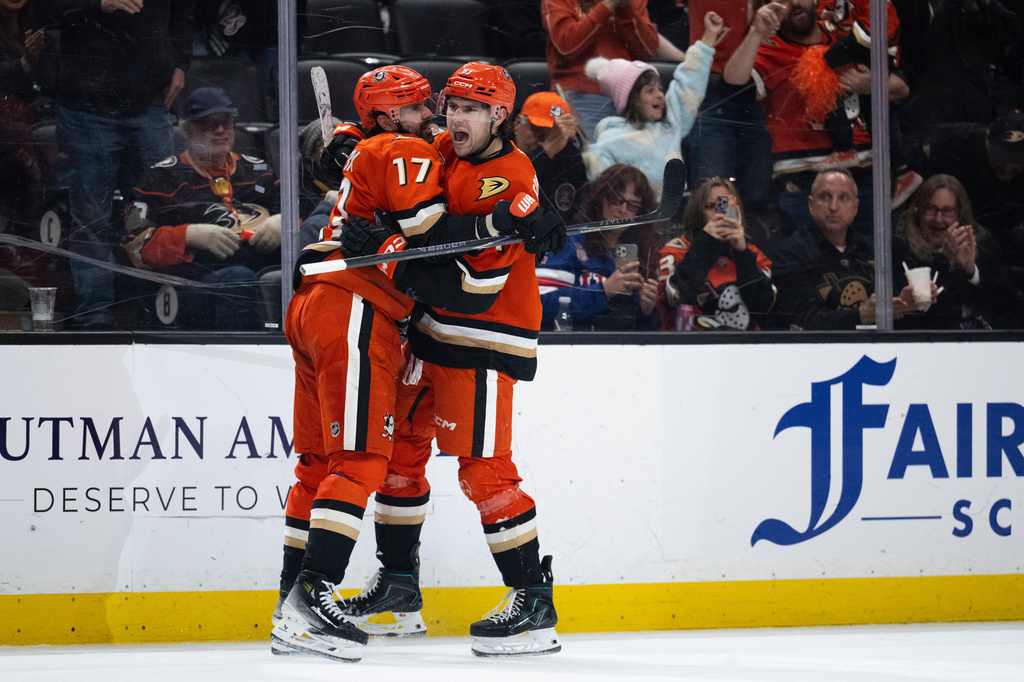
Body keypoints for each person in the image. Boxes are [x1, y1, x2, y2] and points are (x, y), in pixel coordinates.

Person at [270, 64, 563, 663]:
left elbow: (470, 289)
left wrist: (388, 248)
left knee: (484, 471)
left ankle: (532, 601)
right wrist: (353, 147)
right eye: (448, 105)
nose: (450, 118)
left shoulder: (509, 175)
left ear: (499, 116)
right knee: (400, 457)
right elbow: (383, 149)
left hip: (478, 336)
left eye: (468, 109)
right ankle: (398, 591)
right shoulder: (440, 147)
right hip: (422, 332)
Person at [42, 0, 194, 330]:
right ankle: (94, 315)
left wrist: (180, 62)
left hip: (148, 101)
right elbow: (44, 9)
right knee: (90, 216)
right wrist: (98, 4)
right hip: (86, 105)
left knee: (158, 212)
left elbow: (185, 12)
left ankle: (160, 311)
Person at [722, 0, 910, 241]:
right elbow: (733, 86)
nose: (793, 4)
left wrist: (870, 84)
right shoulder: (771, 46)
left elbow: (902, 87)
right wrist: (757, 32)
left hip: (863, 180)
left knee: (869, 268)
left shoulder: (841, 34)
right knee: (814, 269)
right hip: (804, 184)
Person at [122, 87, 280, 330]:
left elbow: (303, 214)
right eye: (208, 124)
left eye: (226, 122)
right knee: (238, 279)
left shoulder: (260, 171)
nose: (219, 130)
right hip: (194, 281)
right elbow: (134, 246)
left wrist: (284, 222)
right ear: (188, 130)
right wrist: (188, 236)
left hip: (259, 264)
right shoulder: (160, 177)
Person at [582, 11, 723, 195]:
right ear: (631, 100)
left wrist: (709, 37)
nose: (659, 95)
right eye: (649, 90)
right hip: (634, 217)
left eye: (660, 89)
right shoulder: (610, 141)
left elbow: (689, 84)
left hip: (671, 216)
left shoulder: (670, 122)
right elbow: (601, 190)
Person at [772, 169, 928, 330]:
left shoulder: (875, 249)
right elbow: (800, 321)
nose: (833, 207)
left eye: (843, 198)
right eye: (825, 197)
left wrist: (901, 307)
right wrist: (860, 315)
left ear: (855, 207)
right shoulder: (791, 253)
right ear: (811, 204)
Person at [906, 110, 1024, 294]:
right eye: (1001, 161)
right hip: (952, 223)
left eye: (1015, 164)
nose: (1007, 169)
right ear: (987, 140)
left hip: (999, 233)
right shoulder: (955, 142)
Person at [537, 163, 661, 330]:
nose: (622, 210)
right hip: (572, 349)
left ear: (641, 213)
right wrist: (603, 291)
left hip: (624, 352)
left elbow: (644, 336)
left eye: (632, 205)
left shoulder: (642, 255)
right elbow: (539, 305)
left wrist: (647, 313)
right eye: (616, 200)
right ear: (600, 199)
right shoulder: (568, 243)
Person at [893, 174, 1024, 330]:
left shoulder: (982, 246)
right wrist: (946, 263)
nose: (938, 218)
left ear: (959, 214)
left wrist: (971, 271)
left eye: (947, 211)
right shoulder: (900, 251)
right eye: (930, 209)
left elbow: (1011, 307)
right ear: (918, 212)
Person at [541, 0, 685, 140]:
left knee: (630, 162)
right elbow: (565, 46)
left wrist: (625, 9)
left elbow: (648, 50)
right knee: (589, 161)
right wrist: (608, 5)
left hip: (628, 96)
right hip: (580, 92)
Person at [685, 0, 775, 209]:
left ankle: (745, 242)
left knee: (758, 190)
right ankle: (719, 239)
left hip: (756, 96)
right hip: (712, 96)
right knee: (716, 192)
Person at [658, 177, 775, 331]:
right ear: (697, 211)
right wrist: (705, 244)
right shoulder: (675, 251)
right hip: (693, 345)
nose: (718, 214)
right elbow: (673, 297)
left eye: (725, 205)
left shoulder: (754, 255)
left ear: (737, 210)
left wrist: (742, 253)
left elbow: (763, 306)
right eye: (710, 206)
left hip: (744, 346)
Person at [514, 90, 588, 224]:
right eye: (538, 131)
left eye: (553, 135)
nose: (543, 141)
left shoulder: (568, 157)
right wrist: (550, 148)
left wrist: (566, 145)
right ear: (518, 123)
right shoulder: (496, 151)